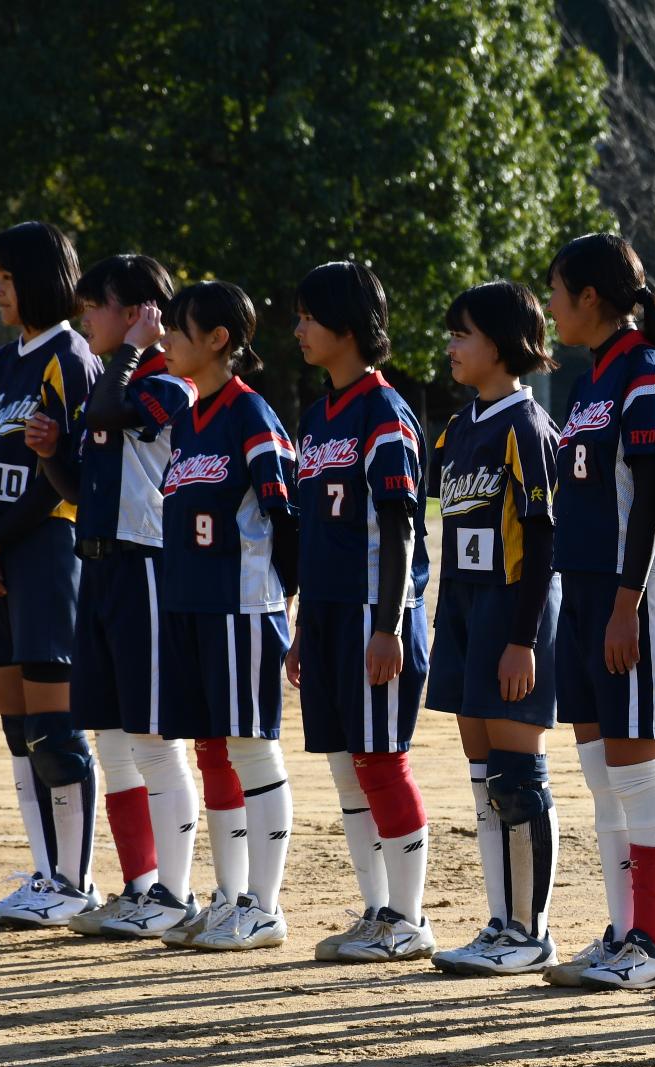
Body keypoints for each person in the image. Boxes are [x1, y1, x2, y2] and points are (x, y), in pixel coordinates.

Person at [27, 253, 204, 942]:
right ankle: (138, 885)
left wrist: (131, 350)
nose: (84, 321)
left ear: (134, 314)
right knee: (114, 742)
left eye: (93, 307)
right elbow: (79, 487)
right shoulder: (114, 380)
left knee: (154, 740)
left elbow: (110, 412)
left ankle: (175, 893)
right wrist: (50, 452)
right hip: (99, 567)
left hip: (147, 566)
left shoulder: (168, 381)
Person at [539, 234, 655, 990]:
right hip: (584, 590)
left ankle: (654, 944)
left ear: (590, 296)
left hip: (632, 593)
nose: (551, 306)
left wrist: (628, 602)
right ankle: (623, 931)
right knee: (602, 778)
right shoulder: (589, 377)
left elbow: (654, 495)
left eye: (557, 290)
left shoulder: (644, 371)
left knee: (636, 774)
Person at [287, 260, 436, 965]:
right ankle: (378, 910)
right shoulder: (317, 416)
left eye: (309, 317)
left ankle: (409, 917)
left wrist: (390, 625)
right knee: (347, 766)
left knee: (381, 761)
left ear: (347, 326)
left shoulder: (384, 411)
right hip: (326, 612)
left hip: (375, 613)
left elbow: (400, 525)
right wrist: (301, 626)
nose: (298, 329)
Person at [0, 221, 104, 929]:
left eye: (9, 278)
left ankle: (74, 883)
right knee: (19, 732)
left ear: (42, 282)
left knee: (54, 731)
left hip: (47, 553)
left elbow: (61, 481)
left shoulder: (71, 358)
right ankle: (46, 874)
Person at [423, 281, 566, 978]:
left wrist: (523, 639)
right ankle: (501, 920)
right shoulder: (457, 428)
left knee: (517, 778)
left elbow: (542, 538)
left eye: (464, 334)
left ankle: (530, 931)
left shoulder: (526, 426)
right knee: (485, 781)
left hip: (512, 613)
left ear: (503, 345)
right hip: (463, 610)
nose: (451, 346)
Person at [153, 280, 300, 951]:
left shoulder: (250, 414)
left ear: (218, 339)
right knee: (211, 749)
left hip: (242, 607)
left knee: (250, 747)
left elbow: (286, 518)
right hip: (190, 605)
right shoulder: (187, 418)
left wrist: (283, 602)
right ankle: (230, 897)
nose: (166, 338)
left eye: (178, 328)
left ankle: (264, 906)